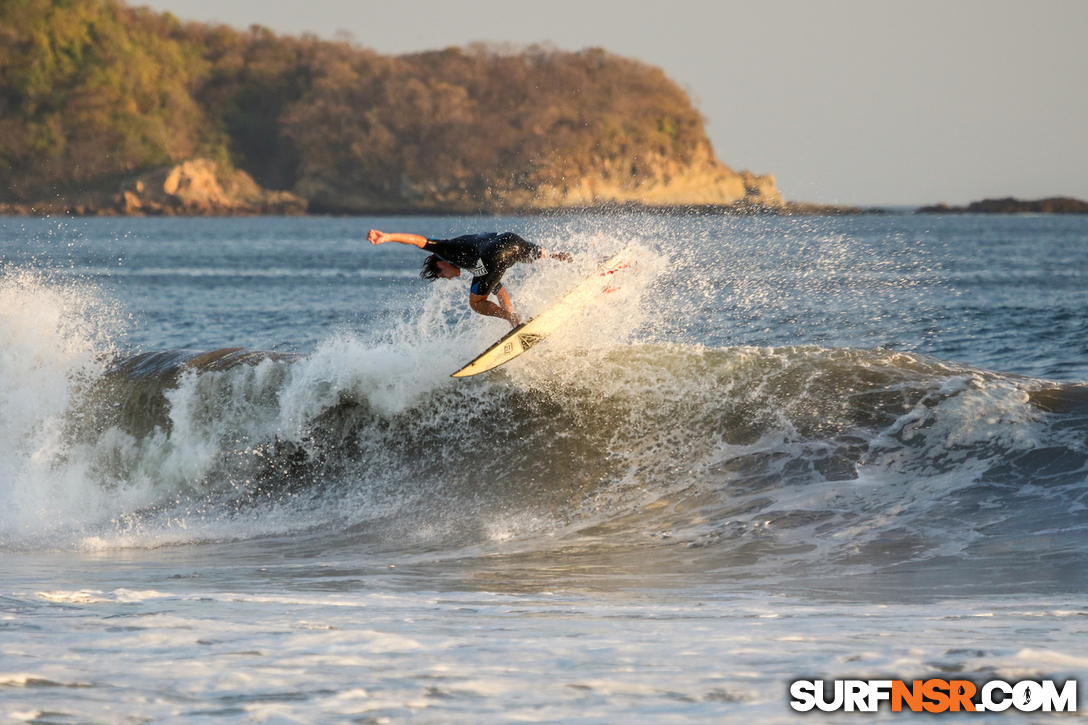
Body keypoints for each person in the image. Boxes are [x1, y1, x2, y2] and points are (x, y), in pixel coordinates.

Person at [367, 229, 570, 327]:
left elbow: (419, 241)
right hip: (511, 240)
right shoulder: (476, 266)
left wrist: (387, 237)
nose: (448, 279)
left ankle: (514, 319)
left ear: (440, 265)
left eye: (442, 275)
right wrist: (514, 321)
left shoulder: (446, 250)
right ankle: (585, 261)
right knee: (548, 255)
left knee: (476, 303)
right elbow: (500, 291)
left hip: (491, 254)